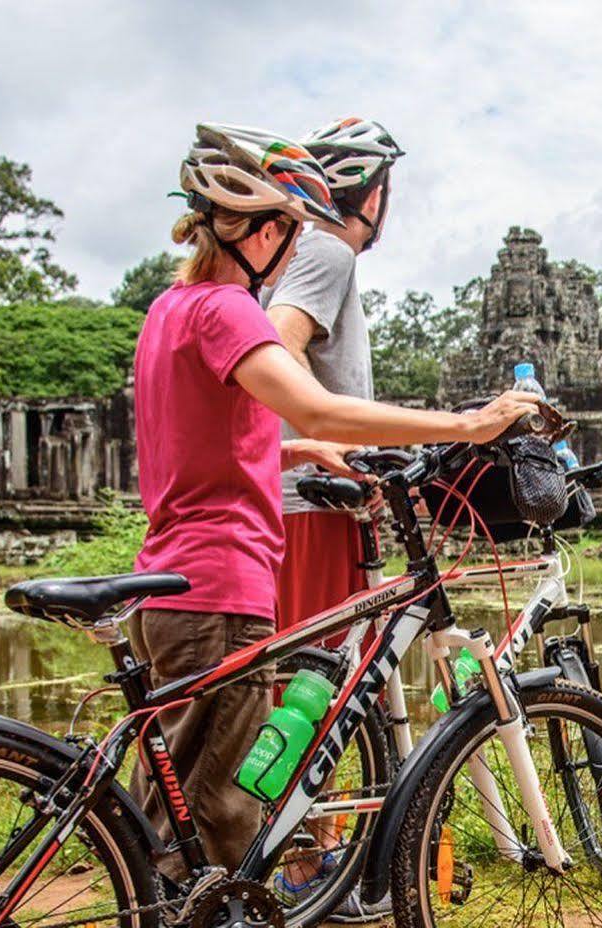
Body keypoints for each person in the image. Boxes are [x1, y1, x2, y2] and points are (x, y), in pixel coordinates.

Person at [128, 121, 542, 887]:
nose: (293, 247)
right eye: (287, 226)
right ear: (260, 228)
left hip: (166, 583)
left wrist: (283, 450)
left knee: (168, 815)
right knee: (220, 819)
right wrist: (468, 423)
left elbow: (192, 444)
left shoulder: (167, 312)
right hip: (221, 589)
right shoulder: (227, 310)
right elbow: (317, 407)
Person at [263, 117, 405, 635]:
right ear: (374, 197)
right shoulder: (327, 250)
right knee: (323, 685)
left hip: (299, 498)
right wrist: (333, 447)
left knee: (307, 684)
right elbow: (281, 341)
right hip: (313, 502)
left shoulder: (290, 255)